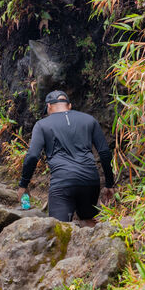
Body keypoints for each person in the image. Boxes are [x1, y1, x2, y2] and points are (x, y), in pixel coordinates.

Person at [18, 89, 115, 226]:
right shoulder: (89, 120)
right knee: (88, 221)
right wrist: (109, 184)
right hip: (89, 181)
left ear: (49, 106)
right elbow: (104, 153)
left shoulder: (42, 125)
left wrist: (23, 184)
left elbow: (33, 156)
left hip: (62, 182)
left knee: (58, 228)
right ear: (69, 105)